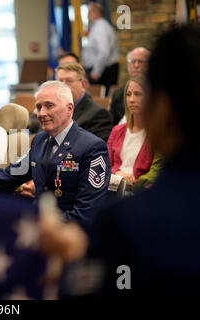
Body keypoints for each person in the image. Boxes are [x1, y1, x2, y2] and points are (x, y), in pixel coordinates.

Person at [39, 26, 200, 297]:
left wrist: (75, 256)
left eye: (142, 95)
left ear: (158, 110)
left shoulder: (126, 221)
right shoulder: (115, 135)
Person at [0, 80, 111, 227]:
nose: (41, 113)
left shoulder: (92, 147)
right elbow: (7, 177)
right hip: (39, 225)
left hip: (69, 235)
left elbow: (86, 212)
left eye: (49, 106)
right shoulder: (40, 140)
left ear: (70, 108)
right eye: (39, 107)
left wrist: (44, 229)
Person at [107, 76, 153, 189]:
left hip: (139, 190)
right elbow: (105, 164)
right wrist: (118, 173)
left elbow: (155, 172)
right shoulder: (117, 130)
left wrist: (133, 183)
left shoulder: (155, 134)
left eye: (138, 94)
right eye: (128, 94)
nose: (131, 100)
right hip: (113, 186)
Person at [56, 62, 113, 142]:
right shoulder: (53, 109)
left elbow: (97, 150)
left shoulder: (99, 114)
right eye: (60, 81)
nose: (63, 86)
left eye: (69, 81)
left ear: (83, 84)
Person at [81, 2, 119, 95]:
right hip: (102, 70)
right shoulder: (98, 26)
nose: (87, 16)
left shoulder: (100, 28)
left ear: (96, 13)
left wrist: (96, 72)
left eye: (89, 13)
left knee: (101, 100)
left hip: (102, 72)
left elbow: (103, 52)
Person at [109, 47, 150, 125]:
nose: (136, 65)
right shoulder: (118, 93)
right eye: (133, 61)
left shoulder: (158, 92)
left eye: (140, 61)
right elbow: (111, 123)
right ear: (128, 66)